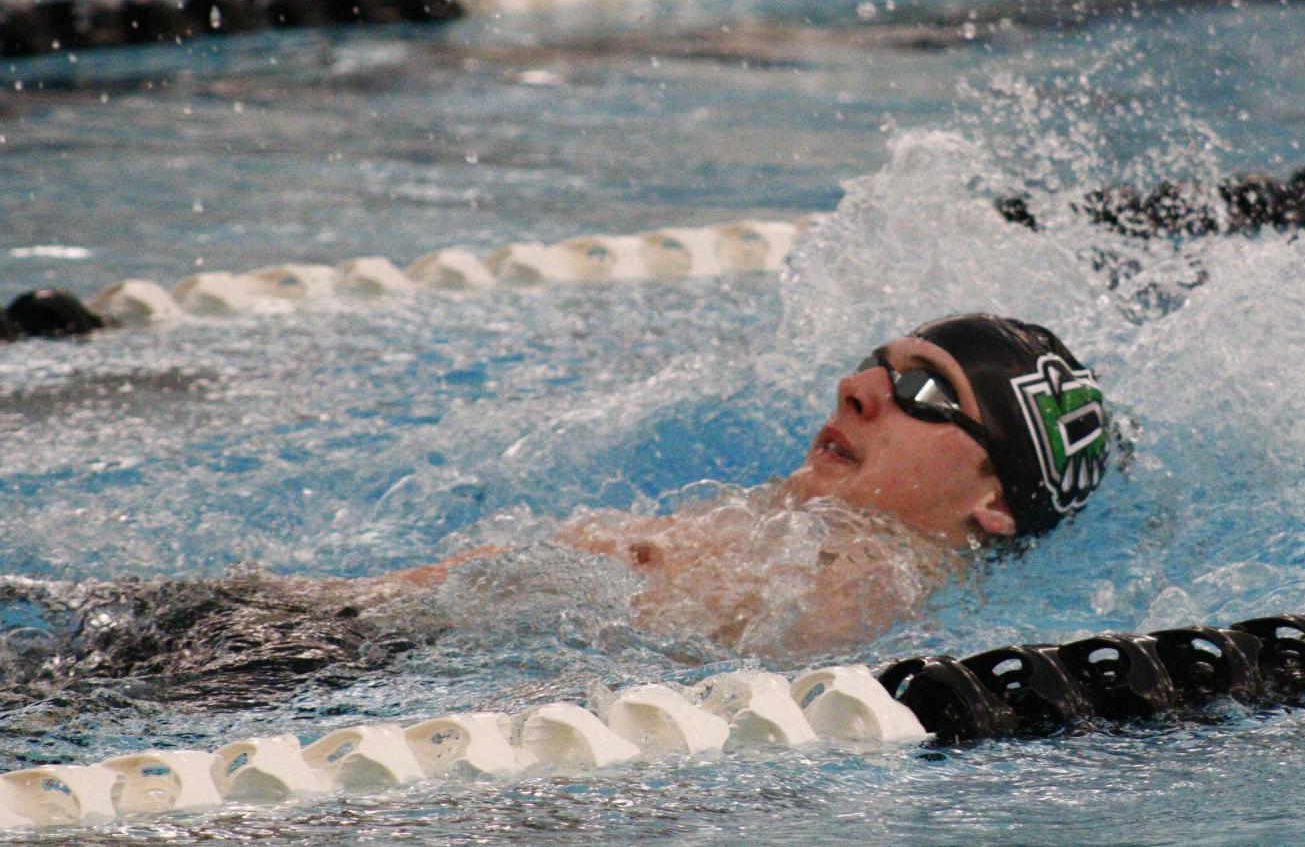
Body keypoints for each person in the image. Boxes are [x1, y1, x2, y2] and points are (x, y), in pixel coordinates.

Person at [0, 314, 1112, 712]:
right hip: (338, 631)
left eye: (923, 391)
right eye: (874, 359)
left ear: (994, 501)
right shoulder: (838, 531)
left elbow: (715, 631)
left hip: (342, 657)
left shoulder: (878, 568)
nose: (859, 387)